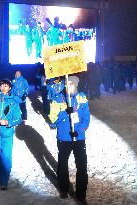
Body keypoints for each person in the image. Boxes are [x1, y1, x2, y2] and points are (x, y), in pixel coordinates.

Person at [49, 76, 90, 205]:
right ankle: (64, 189)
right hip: (64, 138)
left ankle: (81, 194)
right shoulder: (57, 98)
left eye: (71, 84)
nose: (67, 86)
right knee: (62, 165)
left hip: (78, 137)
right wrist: (64, 113)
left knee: (82, 166)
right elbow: (52, 121)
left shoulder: (82, 97)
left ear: (76, 85)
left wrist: (80, 130)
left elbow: (86, 118)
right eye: (66, 84)